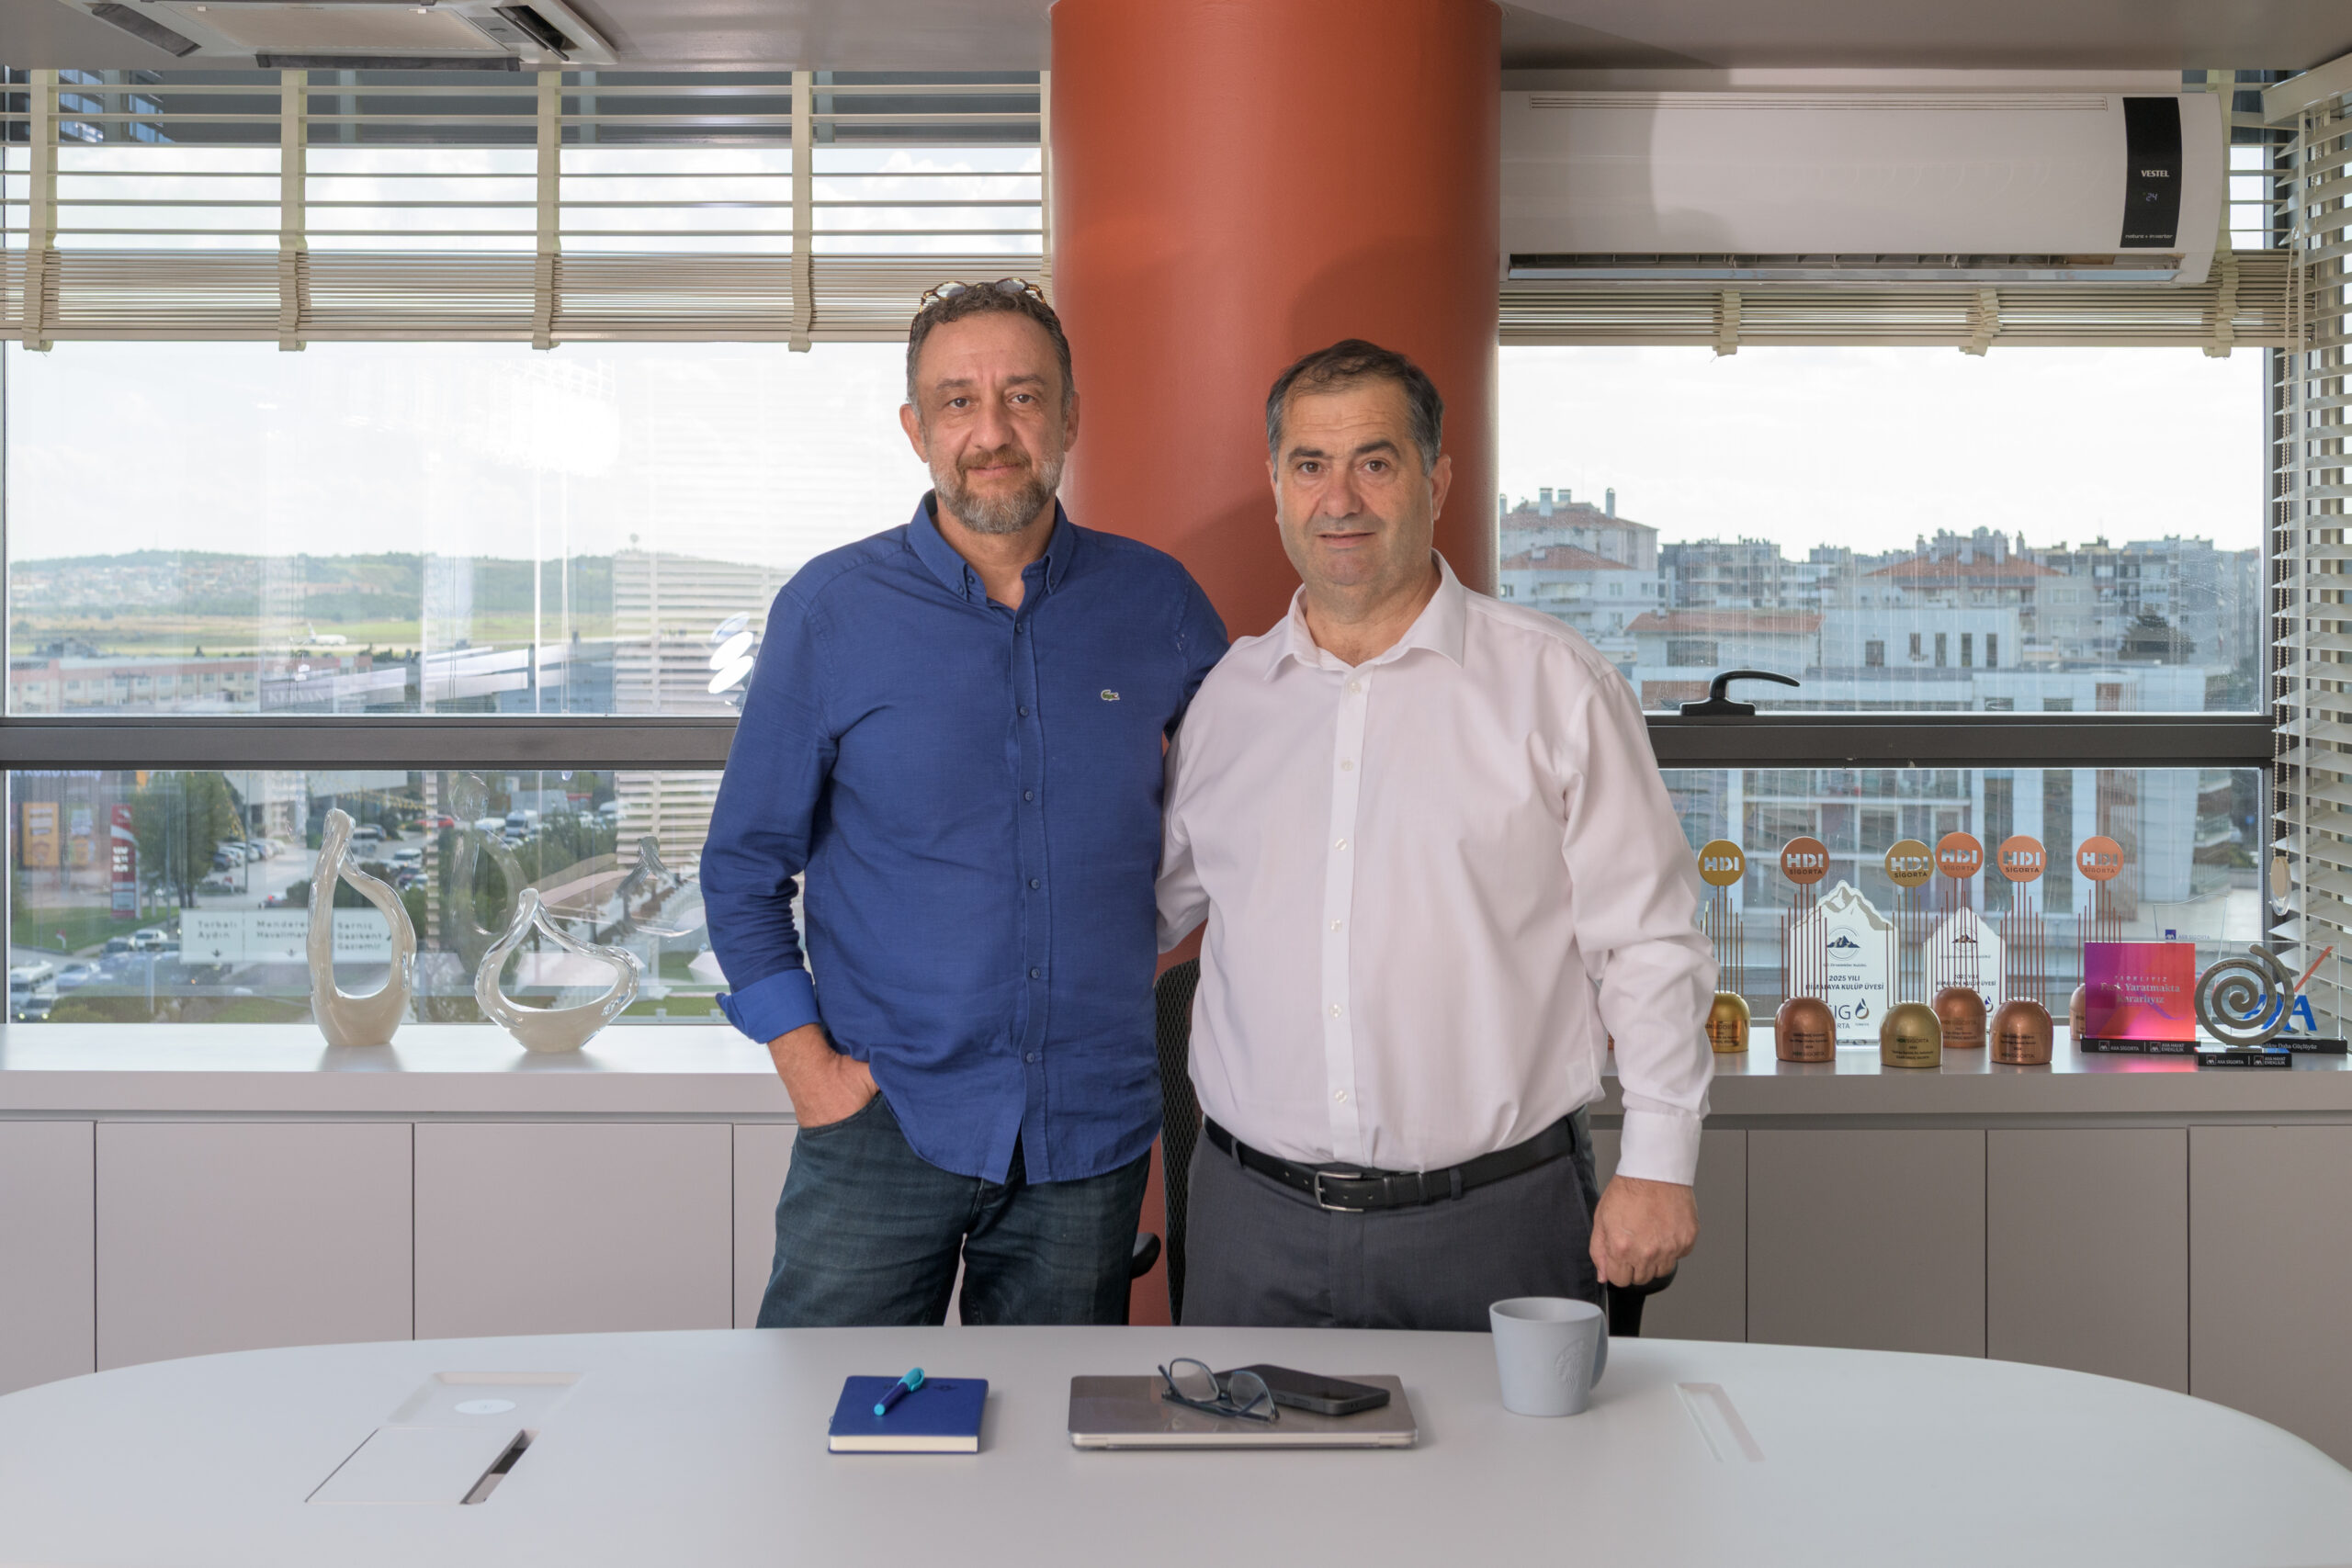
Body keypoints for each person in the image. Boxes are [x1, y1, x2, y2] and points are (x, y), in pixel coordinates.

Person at [1156, 338, 1713, 1331]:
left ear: (1437, 481)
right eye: (1310, 465)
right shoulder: (1228, 703)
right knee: (1236, 1446)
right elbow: (1141, 911)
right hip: (1252, 1226)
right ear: (1276, 486)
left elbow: (1649, 939)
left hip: (1496, 1222)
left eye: (1374, 462)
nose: (1340, 499)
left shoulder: (1555, 686)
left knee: (1524, 1448)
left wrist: (1659, 1162)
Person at [704, 279, 1227, 1327]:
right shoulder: (830, 612)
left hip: (1088, 1136)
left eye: (1023, 397)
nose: (991, 432)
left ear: (1069, 417)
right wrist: (808, 1070)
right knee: (817, 1413)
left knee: (1050, 1426)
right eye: (958, 402)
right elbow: (741, 867)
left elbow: (1257, 803)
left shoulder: (1158, 603)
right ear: (916, 430)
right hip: (881, 1119)